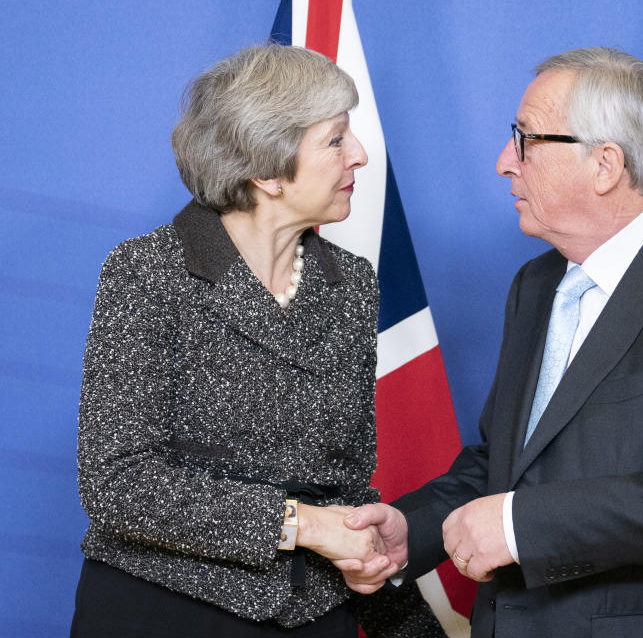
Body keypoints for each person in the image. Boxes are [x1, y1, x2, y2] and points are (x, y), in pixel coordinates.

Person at [337, 47, 643, 637]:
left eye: (526, 139)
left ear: (606, 164)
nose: (505, 161)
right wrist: (412, 531)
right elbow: (504, 464)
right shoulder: (538, 283)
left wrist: (520, 525)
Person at [71, 44, 442, 637]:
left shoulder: (351, 285)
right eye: (336, 140)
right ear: (266, 169)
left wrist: (398, 605)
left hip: (316, 613)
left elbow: (342, 484)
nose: (362, 156)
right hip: (166, 611)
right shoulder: (148, 272)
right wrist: (301, 525)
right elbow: (120, 484)